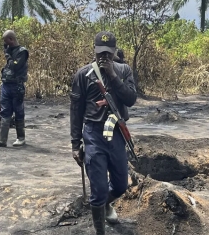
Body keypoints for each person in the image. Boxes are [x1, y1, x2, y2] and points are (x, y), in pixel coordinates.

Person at [70, 31, 137, 234]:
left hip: (116, 133)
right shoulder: (83, 75)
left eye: (108, 53)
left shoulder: (124, 71)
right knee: (98, 189)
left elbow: (131, 99)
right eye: (100, 53)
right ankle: (100, 230)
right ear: (94, 51)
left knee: (120, 185)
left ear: (115, 52)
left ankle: (107, 204)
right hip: (93, 135)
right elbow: (76, 110)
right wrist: (75, 143)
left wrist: (113, 76)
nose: (104, 57)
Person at [0, 30, 29, 148]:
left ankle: (21, 138)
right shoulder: (10, 50)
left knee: (18, 111)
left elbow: (14, 66)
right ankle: (2, 139)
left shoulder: (22, 52)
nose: (6, 44)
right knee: (4, 111)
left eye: (6, 41)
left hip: (16, 86)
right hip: (6, 85)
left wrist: (8, 55)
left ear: (11, 39)